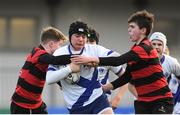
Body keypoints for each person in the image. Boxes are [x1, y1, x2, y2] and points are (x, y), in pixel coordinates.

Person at [71, 10, 174, 114]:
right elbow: (127, 77)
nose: (129, 30)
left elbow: (117, 61)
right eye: (129, 27)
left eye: (132, 27)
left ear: (143, 30)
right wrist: (105, 88)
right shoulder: (135, 49)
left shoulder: (145, 47)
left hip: (161, 100)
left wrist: (92, 59)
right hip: (143, 102)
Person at [46, 21, 116, 114]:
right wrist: (69, 69)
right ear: (70, 36)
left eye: (84, 36)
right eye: (77, 36)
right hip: (76, 105)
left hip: (98, 99)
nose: (81, 39)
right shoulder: (59, 53)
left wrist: (95, 60)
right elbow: (49, 79)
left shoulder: (93, 49)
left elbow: (116, 57)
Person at [10, 27, 72, 114]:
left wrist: (62, 84)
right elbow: (55, 60)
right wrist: (77, 58)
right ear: (51, 44)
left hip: (36, 103)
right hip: (22, 104)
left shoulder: (39, 54)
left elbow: (51, 73)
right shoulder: (39, 54)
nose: (60, 48)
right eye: (59, 45)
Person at [87, 27, 126, 110]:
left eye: (91, 41)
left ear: (97, 44)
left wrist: (117, 98)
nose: (88, 44)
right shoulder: (77, 59)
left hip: (103, 103)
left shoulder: (106, 56)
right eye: (86, 41)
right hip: (83, 105)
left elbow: (126, 78)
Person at [150, 32, 180, 114]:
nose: (157, 48)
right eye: (154, 44)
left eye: (160, 45)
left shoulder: (172, 64)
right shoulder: (142, 62)